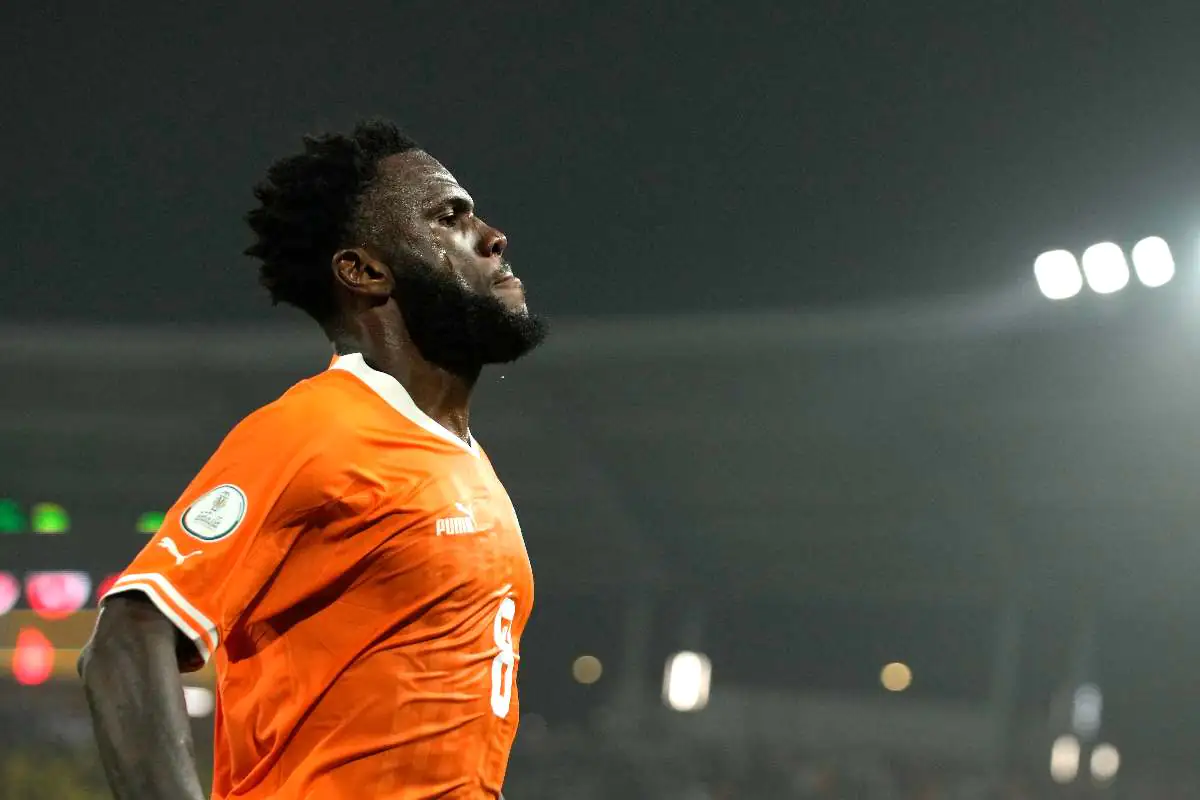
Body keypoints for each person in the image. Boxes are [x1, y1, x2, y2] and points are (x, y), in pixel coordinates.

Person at [78, 120, 548, 800]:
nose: (493, 236)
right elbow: (126, 639)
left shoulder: (467, 461)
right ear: (364, 271)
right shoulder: (314, 429)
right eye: (450, 217)